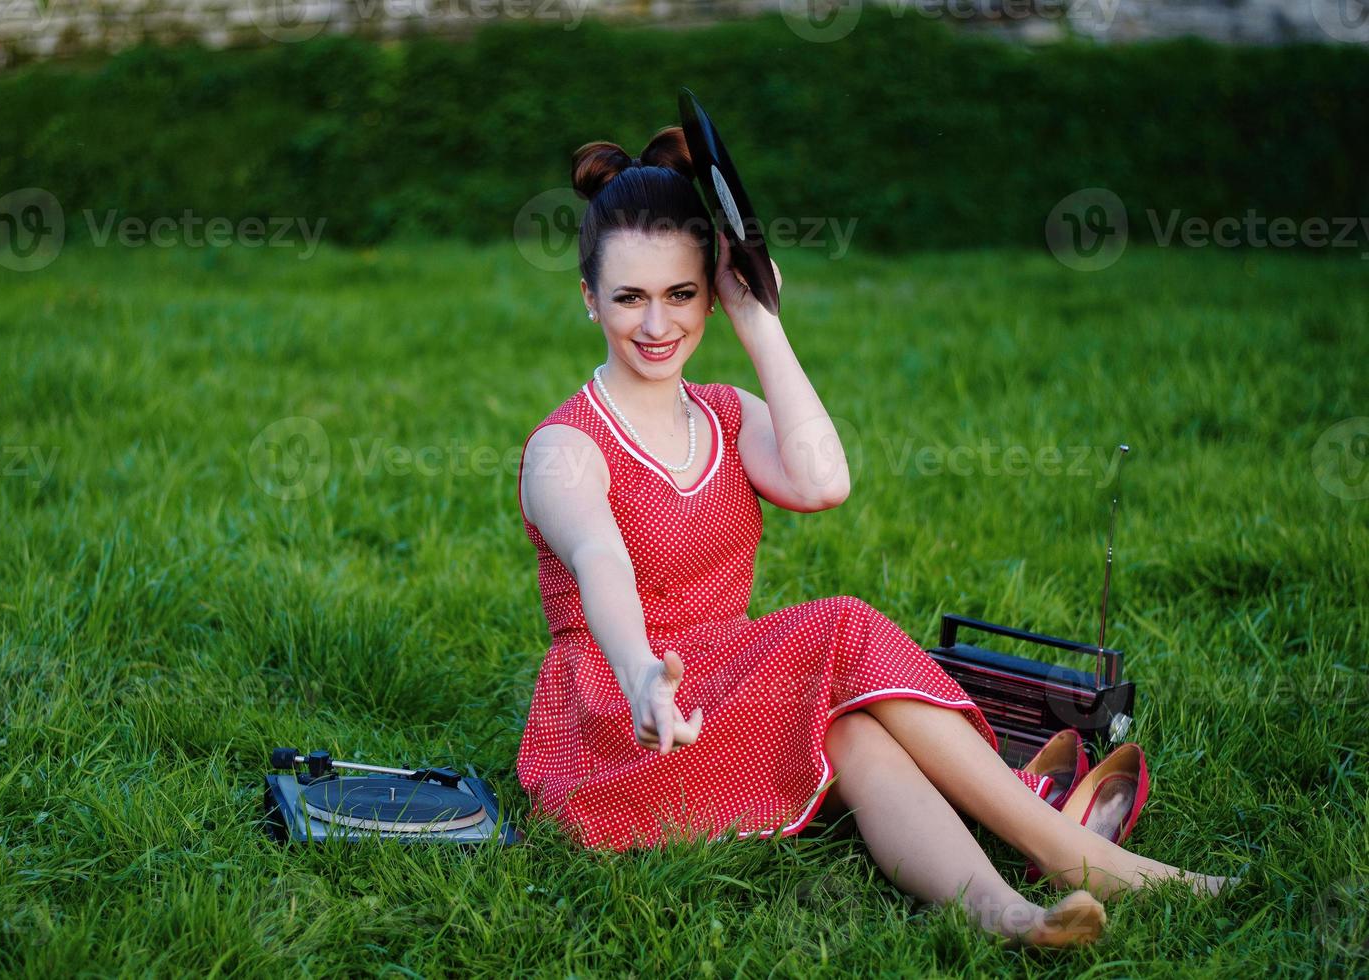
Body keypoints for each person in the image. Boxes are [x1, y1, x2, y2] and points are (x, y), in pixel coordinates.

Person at [513, 126, 1237, 948]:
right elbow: (602, 563)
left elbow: (824, 483)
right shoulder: (565, 448)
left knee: (851, 728)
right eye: (628, 297)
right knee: (841, 622)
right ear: (586, 297)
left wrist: (762, 322)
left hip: (721, 690)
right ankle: (1076, 856)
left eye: (680, 295)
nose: (656, 323)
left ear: (711, 295)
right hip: (619, 719)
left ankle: (1009, 914)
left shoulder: (723, 414)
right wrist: (644, 674)